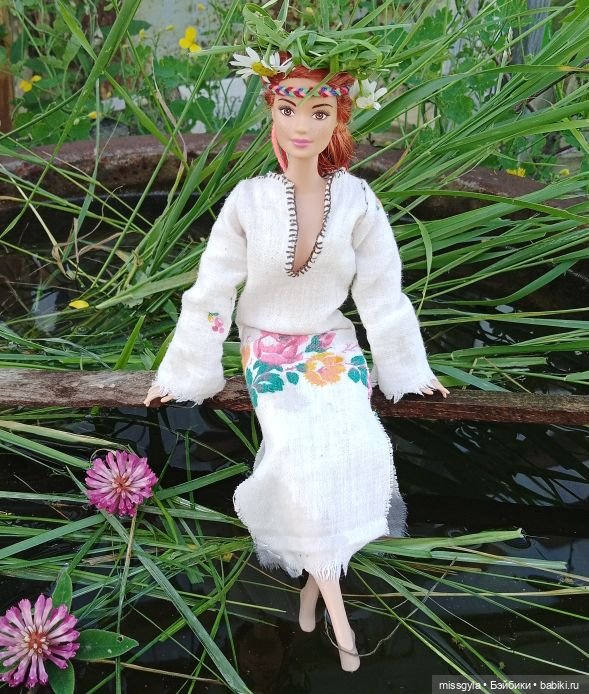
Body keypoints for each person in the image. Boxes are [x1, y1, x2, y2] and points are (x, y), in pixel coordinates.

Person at [144, 44, 449, 672]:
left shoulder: (358, 200)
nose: (302, 126)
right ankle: (339, 617)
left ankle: (315, 588)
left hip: (332, 343)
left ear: (339, 119)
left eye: (319, 112)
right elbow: (213, 290)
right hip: (269, 346)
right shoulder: (249, 200)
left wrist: (407, 370)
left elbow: (381, 292)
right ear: (271, 113)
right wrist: (185, 372)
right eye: (289, 109)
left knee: (357, 441)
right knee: (295, 452)